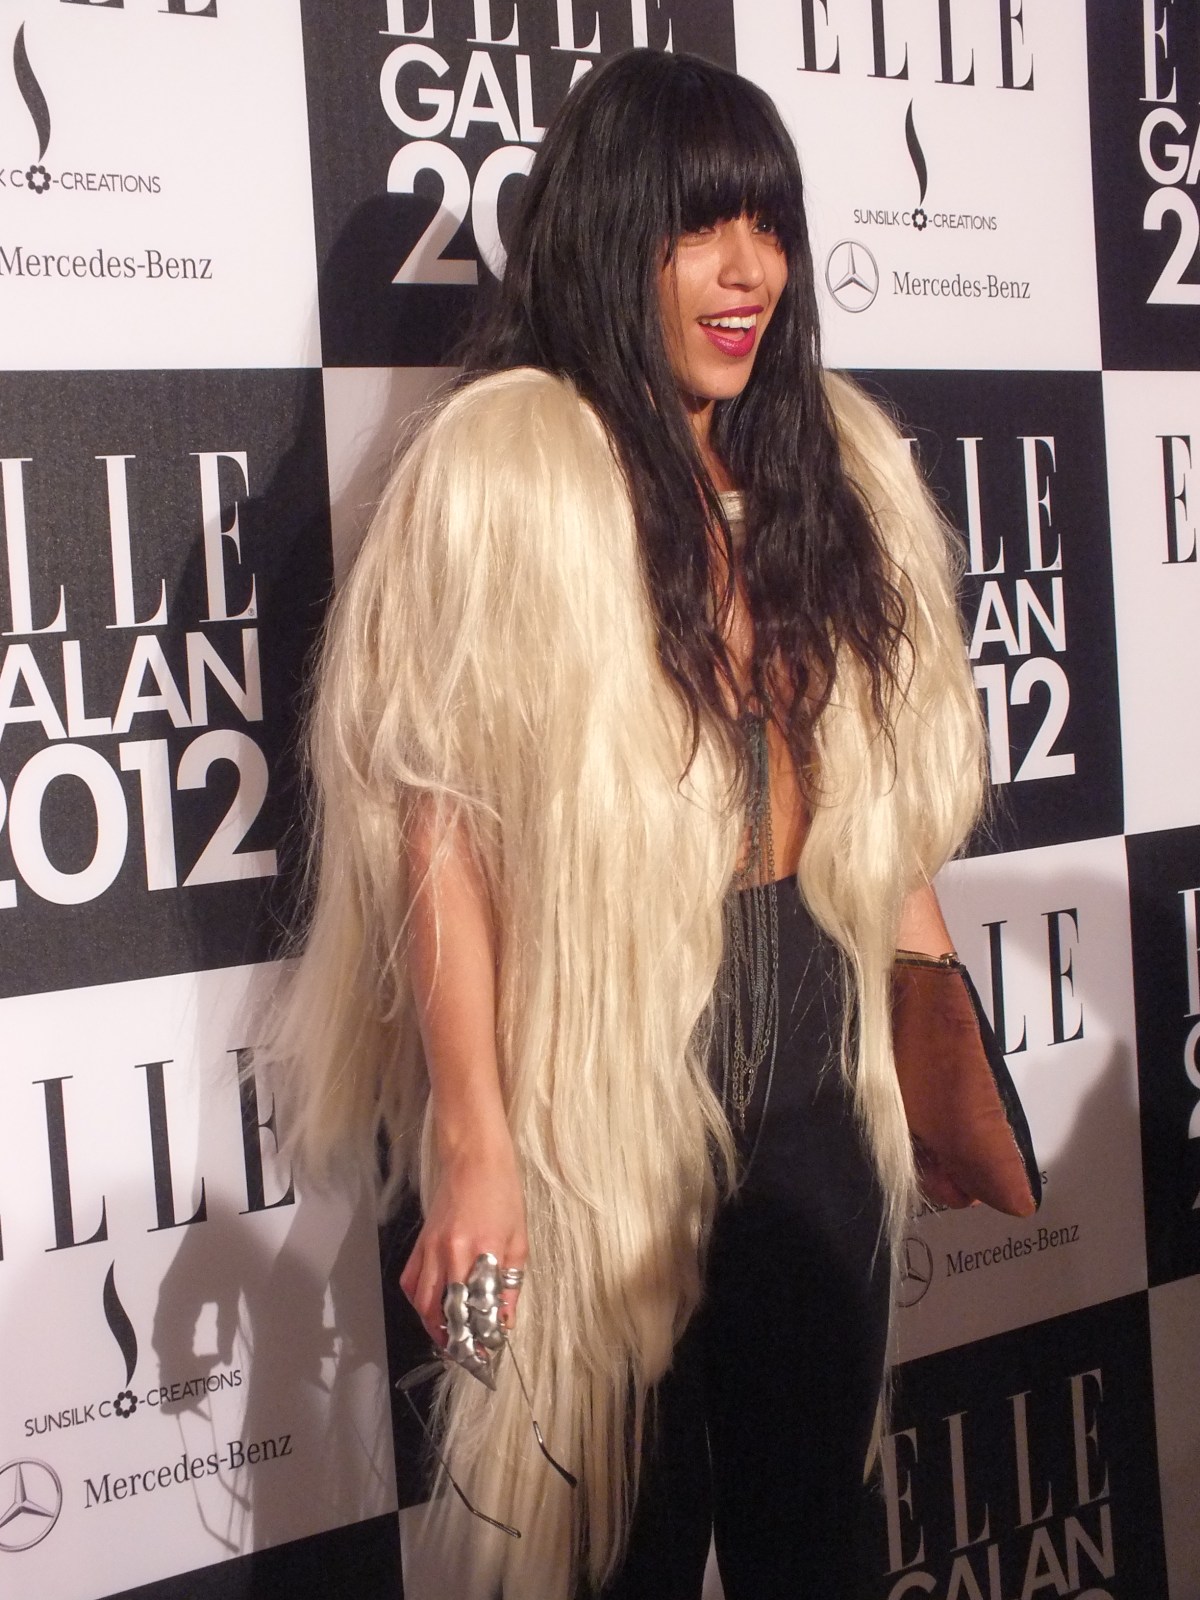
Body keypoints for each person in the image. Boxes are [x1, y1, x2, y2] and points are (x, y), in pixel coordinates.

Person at [276, 47, 985, 1600]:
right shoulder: (505, 473)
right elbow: (439, 828)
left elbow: (873, 786)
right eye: (700, 228)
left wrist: (936, 1025)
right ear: (612, 237)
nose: (750, 273)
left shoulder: (833, 465)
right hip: (598, 1061)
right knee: (610, 1549)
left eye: (770, 226)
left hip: (815, 1057)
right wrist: (475, 1143)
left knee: (818, 1533)